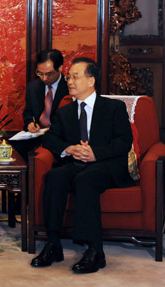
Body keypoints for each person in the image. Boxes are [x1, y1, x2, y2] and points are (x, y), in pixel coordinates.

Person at [30, 57, 135, 274]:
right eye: (69, 77)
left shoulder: (114, 108)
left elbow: (124, 141)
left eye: (75, 77)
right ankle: (53, 244)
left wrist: (95, 153)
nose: (69, 81)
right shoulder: (65, 111)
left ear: (91, 80)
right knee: (54, 177)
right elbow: (50, 139)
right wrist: (69, 149)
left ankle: (96, 250)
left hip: (105, 165)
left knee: (85, 180)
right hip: (76, 163)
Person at [11, 49, 69, 161]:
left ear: (60, 68)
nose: (44, 78)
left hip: (59, 137)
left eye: (49, 74)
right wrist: (30, 124)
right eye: (40, 73)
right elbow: (28, 113)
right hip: (37, 136)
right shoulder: (33, 87)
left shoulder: (69, 88)